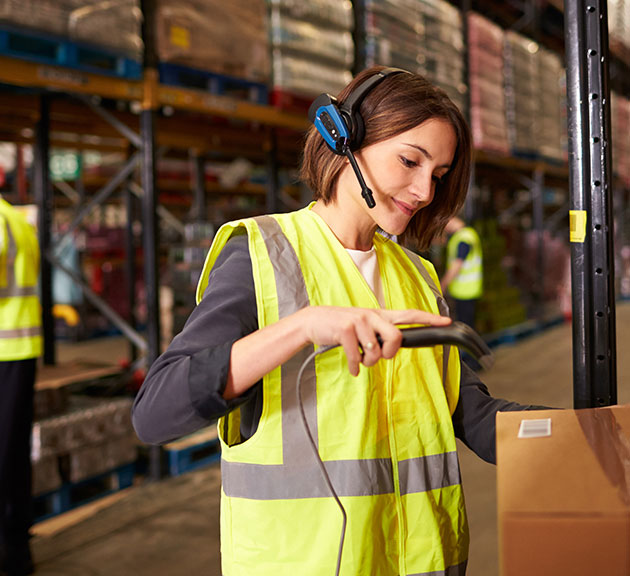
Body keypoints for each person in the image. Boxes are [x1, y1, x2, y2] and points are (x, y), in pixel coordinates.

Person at [132, 66, 543, 576]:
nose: (424, 192)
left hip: (422, 562)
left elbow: (467, 413)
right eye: (409, 160)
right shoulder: (264, 254)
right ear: (342, 139)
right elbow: (155, 413)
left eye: (437, 175)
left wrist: (577, 438)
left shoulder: (418, 276)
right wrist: (302, 326)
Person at [0, 197, 41, 576]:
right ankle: (16, 550)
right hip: (19, 350)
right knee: (12, 453)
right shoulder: (15, 218)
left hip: (4, 352)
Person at [440, 215, 483, 331]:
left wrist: (442, 285)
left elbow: (457, 264)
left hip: (466, 290)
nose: (444, 227)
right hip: (465, 290)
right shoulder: (464, 235)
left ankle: (467, 350)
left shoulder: (464, 237)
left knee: (465, 326)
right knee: (466, 324)